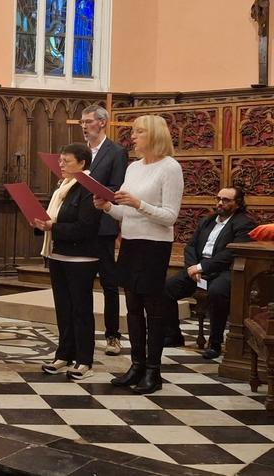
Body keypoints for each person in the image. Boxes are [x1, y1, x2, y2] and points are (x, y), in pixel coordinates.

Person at [95, 114, 183, 394]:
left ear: (155, 134)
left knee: (153, 310)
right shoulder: (133, 167)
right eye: (133, 131)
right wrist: (107, 207)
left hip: (154, 245)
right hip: (131, 242)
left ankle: (153, 372)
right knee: (132, 309)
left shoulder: (170, 167)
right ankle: (136, 365)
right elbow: (125, 213)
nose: (132, 136)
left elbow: (170, 217)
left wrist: (138, 203)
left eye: (139, 132)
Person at [163, 187, 256, 359]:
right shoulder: (208, 220)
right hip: (197, 268)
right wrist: (193, 267)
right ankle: (173, 335)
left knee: (217, 292)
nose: (220, 203)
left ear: (238, 203)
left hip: (224, 270)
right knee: (167, 288)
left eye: (226, 200)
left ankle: (215, 343)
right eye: (218, 199)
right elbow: (191, 246)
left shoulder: (244, 224)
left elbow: (231, 254)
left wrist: (202, 267)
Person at [35, 143, 102, 380]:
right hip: (58, 254)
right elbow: (54, 218)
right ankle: (64, 354)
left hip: (81, 257)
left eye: (66, 161)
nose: (60, 165)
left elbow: (86, 227)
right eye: (60, 160)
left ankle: (84, 360)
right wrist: (41, 224)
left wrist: (52, 227)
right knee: (64, 309)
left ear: (82, 163)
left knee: (81, 310)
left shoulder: (89, 187)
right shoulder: (62, 186)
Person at [80, 105, 129, 356]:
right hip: (79, 224)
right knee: (81, 283)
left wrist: (90, 185)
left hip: (103, 224)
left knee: (109, 284)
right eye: (82, 122)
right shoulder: (80, 152)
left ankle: (113, 335)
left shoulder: (116, 152)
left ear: (102, 123)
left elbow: (116, 187)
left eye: (88, 121)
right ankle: (82, 334)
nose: (84, 126)